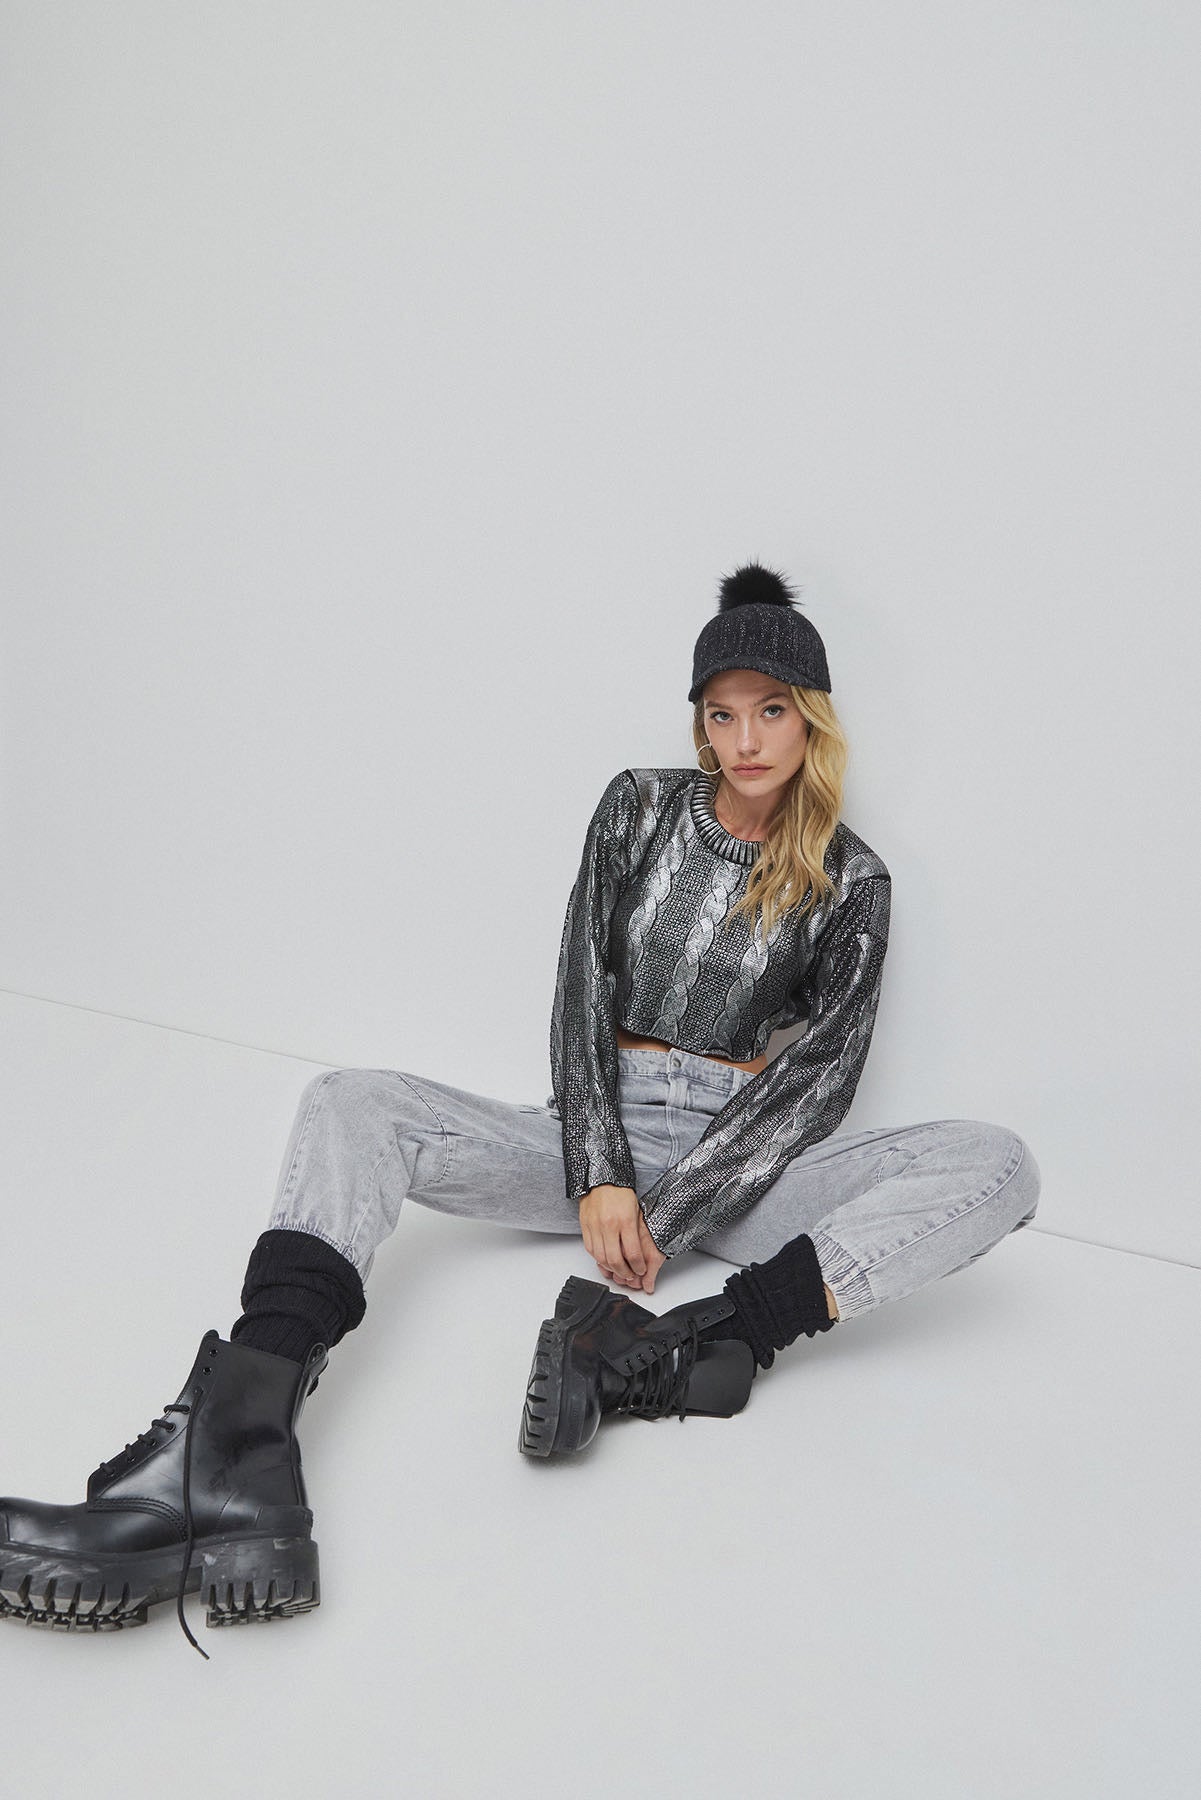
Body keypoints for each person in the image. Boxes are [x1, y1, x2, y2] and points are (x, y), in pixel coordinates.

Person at [0, 563, 1041, 1657]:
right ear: (697, 721)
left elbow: (819, 1076)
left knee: (999, 1163)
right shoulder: (637, 807)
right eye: (721, 713)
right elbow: (580, 985)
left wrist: (675, 1209)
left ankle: (693, 1343)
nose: (745, 739)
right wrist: (601, 1170)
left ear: (811, 718)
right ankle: (239, 1448)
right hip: (593, 1123)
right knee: (352, 1102)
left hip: (748, 1155)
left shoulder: (852, 880)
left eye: (770, 711)